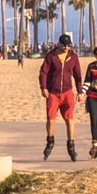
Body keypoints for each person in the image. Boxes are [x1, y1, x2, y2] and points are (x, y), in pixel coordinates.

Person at [39, 32, 85, 161]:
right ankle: (50, 141)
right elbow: (43, 72)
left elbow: (78, 76)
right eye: (64, 45)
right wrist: (43, 87)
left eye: (68, 45)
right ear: (59, 44)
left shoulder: (73, 57)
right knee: (50, 119)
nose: (66, 47)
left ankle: (71, 145)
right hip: (53, 93)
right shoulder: (51, 56)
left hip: (67, 93)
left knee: (69, 119)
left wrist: (80, 92)